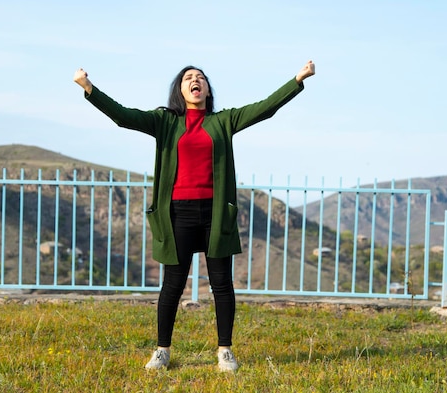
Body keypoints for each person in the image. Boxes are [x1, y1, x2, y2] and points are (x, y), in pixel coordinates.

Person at [73, 60, 315, 372]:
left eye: (201, 77)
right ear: (180, 89)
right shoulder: (165, 121)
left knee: (222, 284)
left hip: (215, 212)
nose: (195, 80)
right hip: (178, 213)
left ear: (207, 90)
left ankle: (225, 350)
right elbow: (124, 117)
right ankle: (162, 350)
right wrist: (89, 89)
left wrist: (297, 79)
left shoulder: (223, 121)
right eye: (188, 78)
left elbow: (264, 108)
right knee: (172, 284)